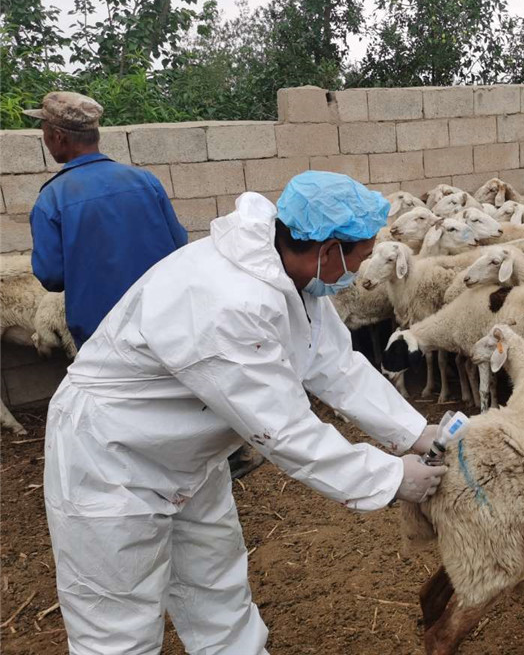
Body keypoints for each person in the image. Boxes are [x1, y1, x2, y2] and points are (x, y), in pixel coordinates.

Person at [43, 170, 447, 654]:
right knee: (117, 623)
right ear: (328, 250)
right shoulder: (229, 301)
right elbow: (283, 430)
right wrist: (390, 477)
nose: (359, 271)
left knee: (218, 591)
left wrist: (415, 432)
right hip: (113, 458)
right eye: (359, 256)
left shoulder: (292, 278)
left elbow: (336, 365)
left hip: (190, 456)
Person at [25, 91, 188, 351]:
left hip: (103, 336)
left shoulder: (52, 199)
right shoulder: (145, 181)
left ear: (58, 136)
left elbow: (51, 276)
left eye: (44, 132)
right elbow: (179, 244)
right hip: (164, 324)